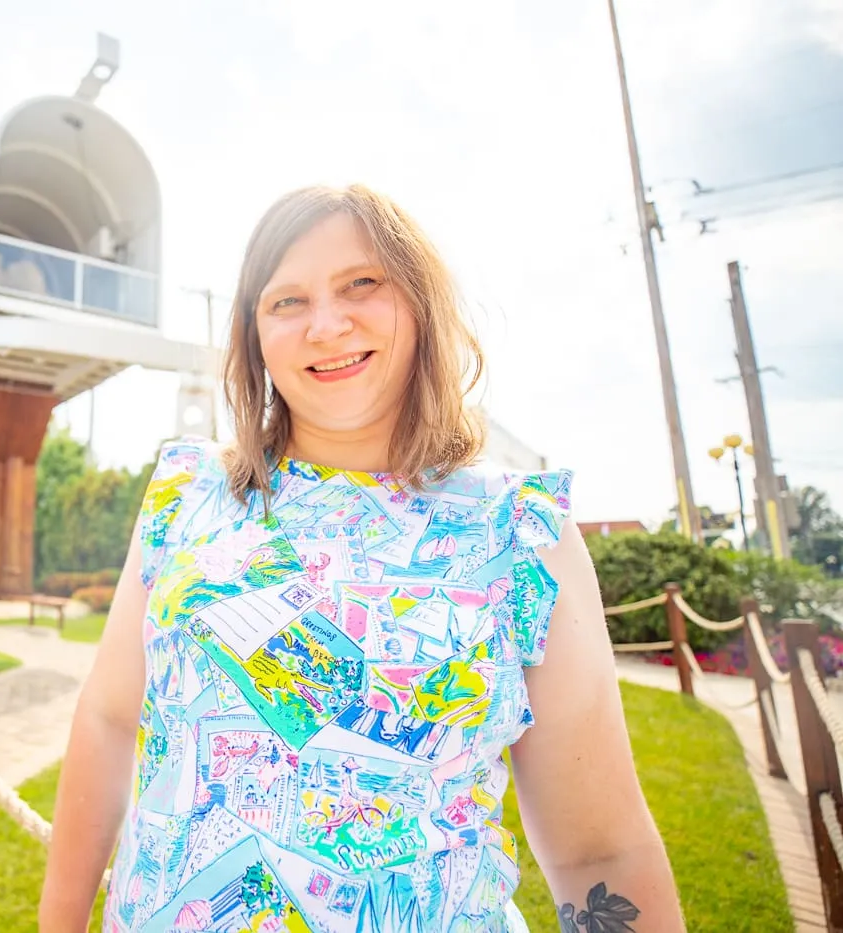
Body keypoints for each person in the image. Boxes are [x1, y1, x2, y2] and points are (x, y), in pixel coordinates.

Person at [39, 184, 683, 932]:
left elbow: (597, 852)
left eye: (361, 284)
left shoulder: (519, 533)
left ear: (419, 302)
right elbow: (110, 719)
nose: (326, 324)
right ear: (254, 337)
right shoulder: (184, 496)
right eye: (286, 301)